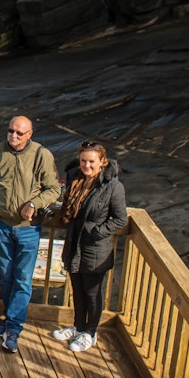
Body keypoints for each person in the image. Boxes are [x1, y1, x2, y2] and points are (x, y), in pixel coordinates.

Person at [0, 115, 62, 353]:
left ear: (30, 134)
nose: (14, 136)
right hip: (1, 226)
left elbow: (54, 188)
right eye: (11, 131)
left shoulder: (42, 155)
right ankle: (9, 319)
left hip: (28, 229)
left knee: (22, 279)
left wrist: (34, 203)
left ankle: (14, 326)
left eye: (20, 133)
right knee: (7, 276)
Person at [53, 141, 127, 352]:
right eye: (84, 161)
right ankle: (78, 327)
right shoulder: (75, 177)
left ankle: (90, 333)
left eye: (92, 162)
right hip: (74, 243)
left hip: (96, 248)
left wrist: (96, 231)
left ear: (102, 162)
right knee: (77, 290)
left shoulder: (113, 186)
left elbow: (120, 219)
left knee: (93, 293)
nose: (87, 166)